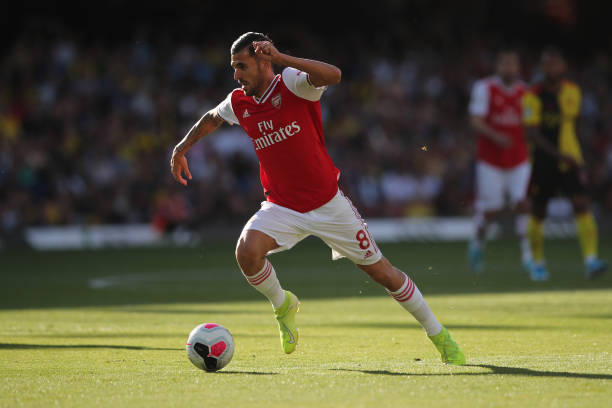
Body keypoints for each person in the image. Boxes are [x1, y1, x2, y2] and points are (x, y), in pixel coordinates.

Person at [170, 32, 465, 364]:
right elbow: (211, 118)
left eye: (242, 66)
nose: (236, 75)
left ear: (263, 61)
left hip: (329, 205)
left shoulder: (293, 83)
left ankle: (439, 335)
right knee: (247, 253)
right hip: (281, 206)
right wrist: (182, 148)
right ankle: (283, 305)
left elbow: (334, 75)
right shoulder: (240, 101)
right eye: (233, 67)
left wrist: (282, 58)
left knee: (383, 273)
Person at [522, 47, 607, 281]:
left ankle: (591, 260)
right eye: (546, 64)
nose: (551, 68)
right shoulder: (533, 94)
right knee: (539, 211)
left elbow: (575, 126)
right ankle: (537, 263)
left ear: (563, 66)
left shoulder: (573, 92)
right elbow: (532, 133)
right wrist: (560, 155)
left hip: (570, 159)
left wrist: (580, 154)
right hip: (543, 161)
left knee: (581, 203)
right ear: (542, 67)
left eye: (555, 63)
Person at [467, 50, 532, 273]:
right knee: (491, 210)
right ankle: (477, 245)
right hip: (490, 160)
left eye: (512, 64)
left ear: (518, 67)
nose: (509, 68)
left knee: (522, 203)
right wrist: (496, 136)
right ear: (498, 66)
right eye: (504, 64)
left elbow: (531, 123)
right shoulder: (485, 88)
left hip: (519, 159)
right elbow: (475, 121)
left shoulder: (526, 92)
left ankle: (528, 256)